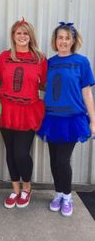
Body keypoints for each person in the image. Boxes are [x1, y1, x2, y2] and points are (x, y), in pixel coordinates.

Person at [38, 22, 95, 217]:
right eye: (60, 37)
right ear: (55, 40)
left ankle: (68, 196)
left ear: (73, 41)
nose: (63, 41)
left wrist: (93, 120)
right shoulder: (50, 62)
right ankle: (59, 193)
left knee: (63, 160)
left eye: (67, 38)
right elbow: (43, 85)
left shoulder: (81, 62)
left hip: (71, 120)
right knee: (54, 160)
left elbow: (87, 93)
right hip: (52, 118)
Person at [0, 18, 47, 209]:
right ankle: (15, 189)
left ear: (30, 36)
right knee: (10, 151)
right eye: (19, 33)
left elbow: (45, 84)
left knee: (22, 153)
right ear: (13, 36)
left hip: (28, 112)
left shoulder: (40, 58)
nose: (22, 36)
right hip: (7, 110)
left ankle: (27, 188)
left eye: (25, 33)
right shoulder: (4, 57)